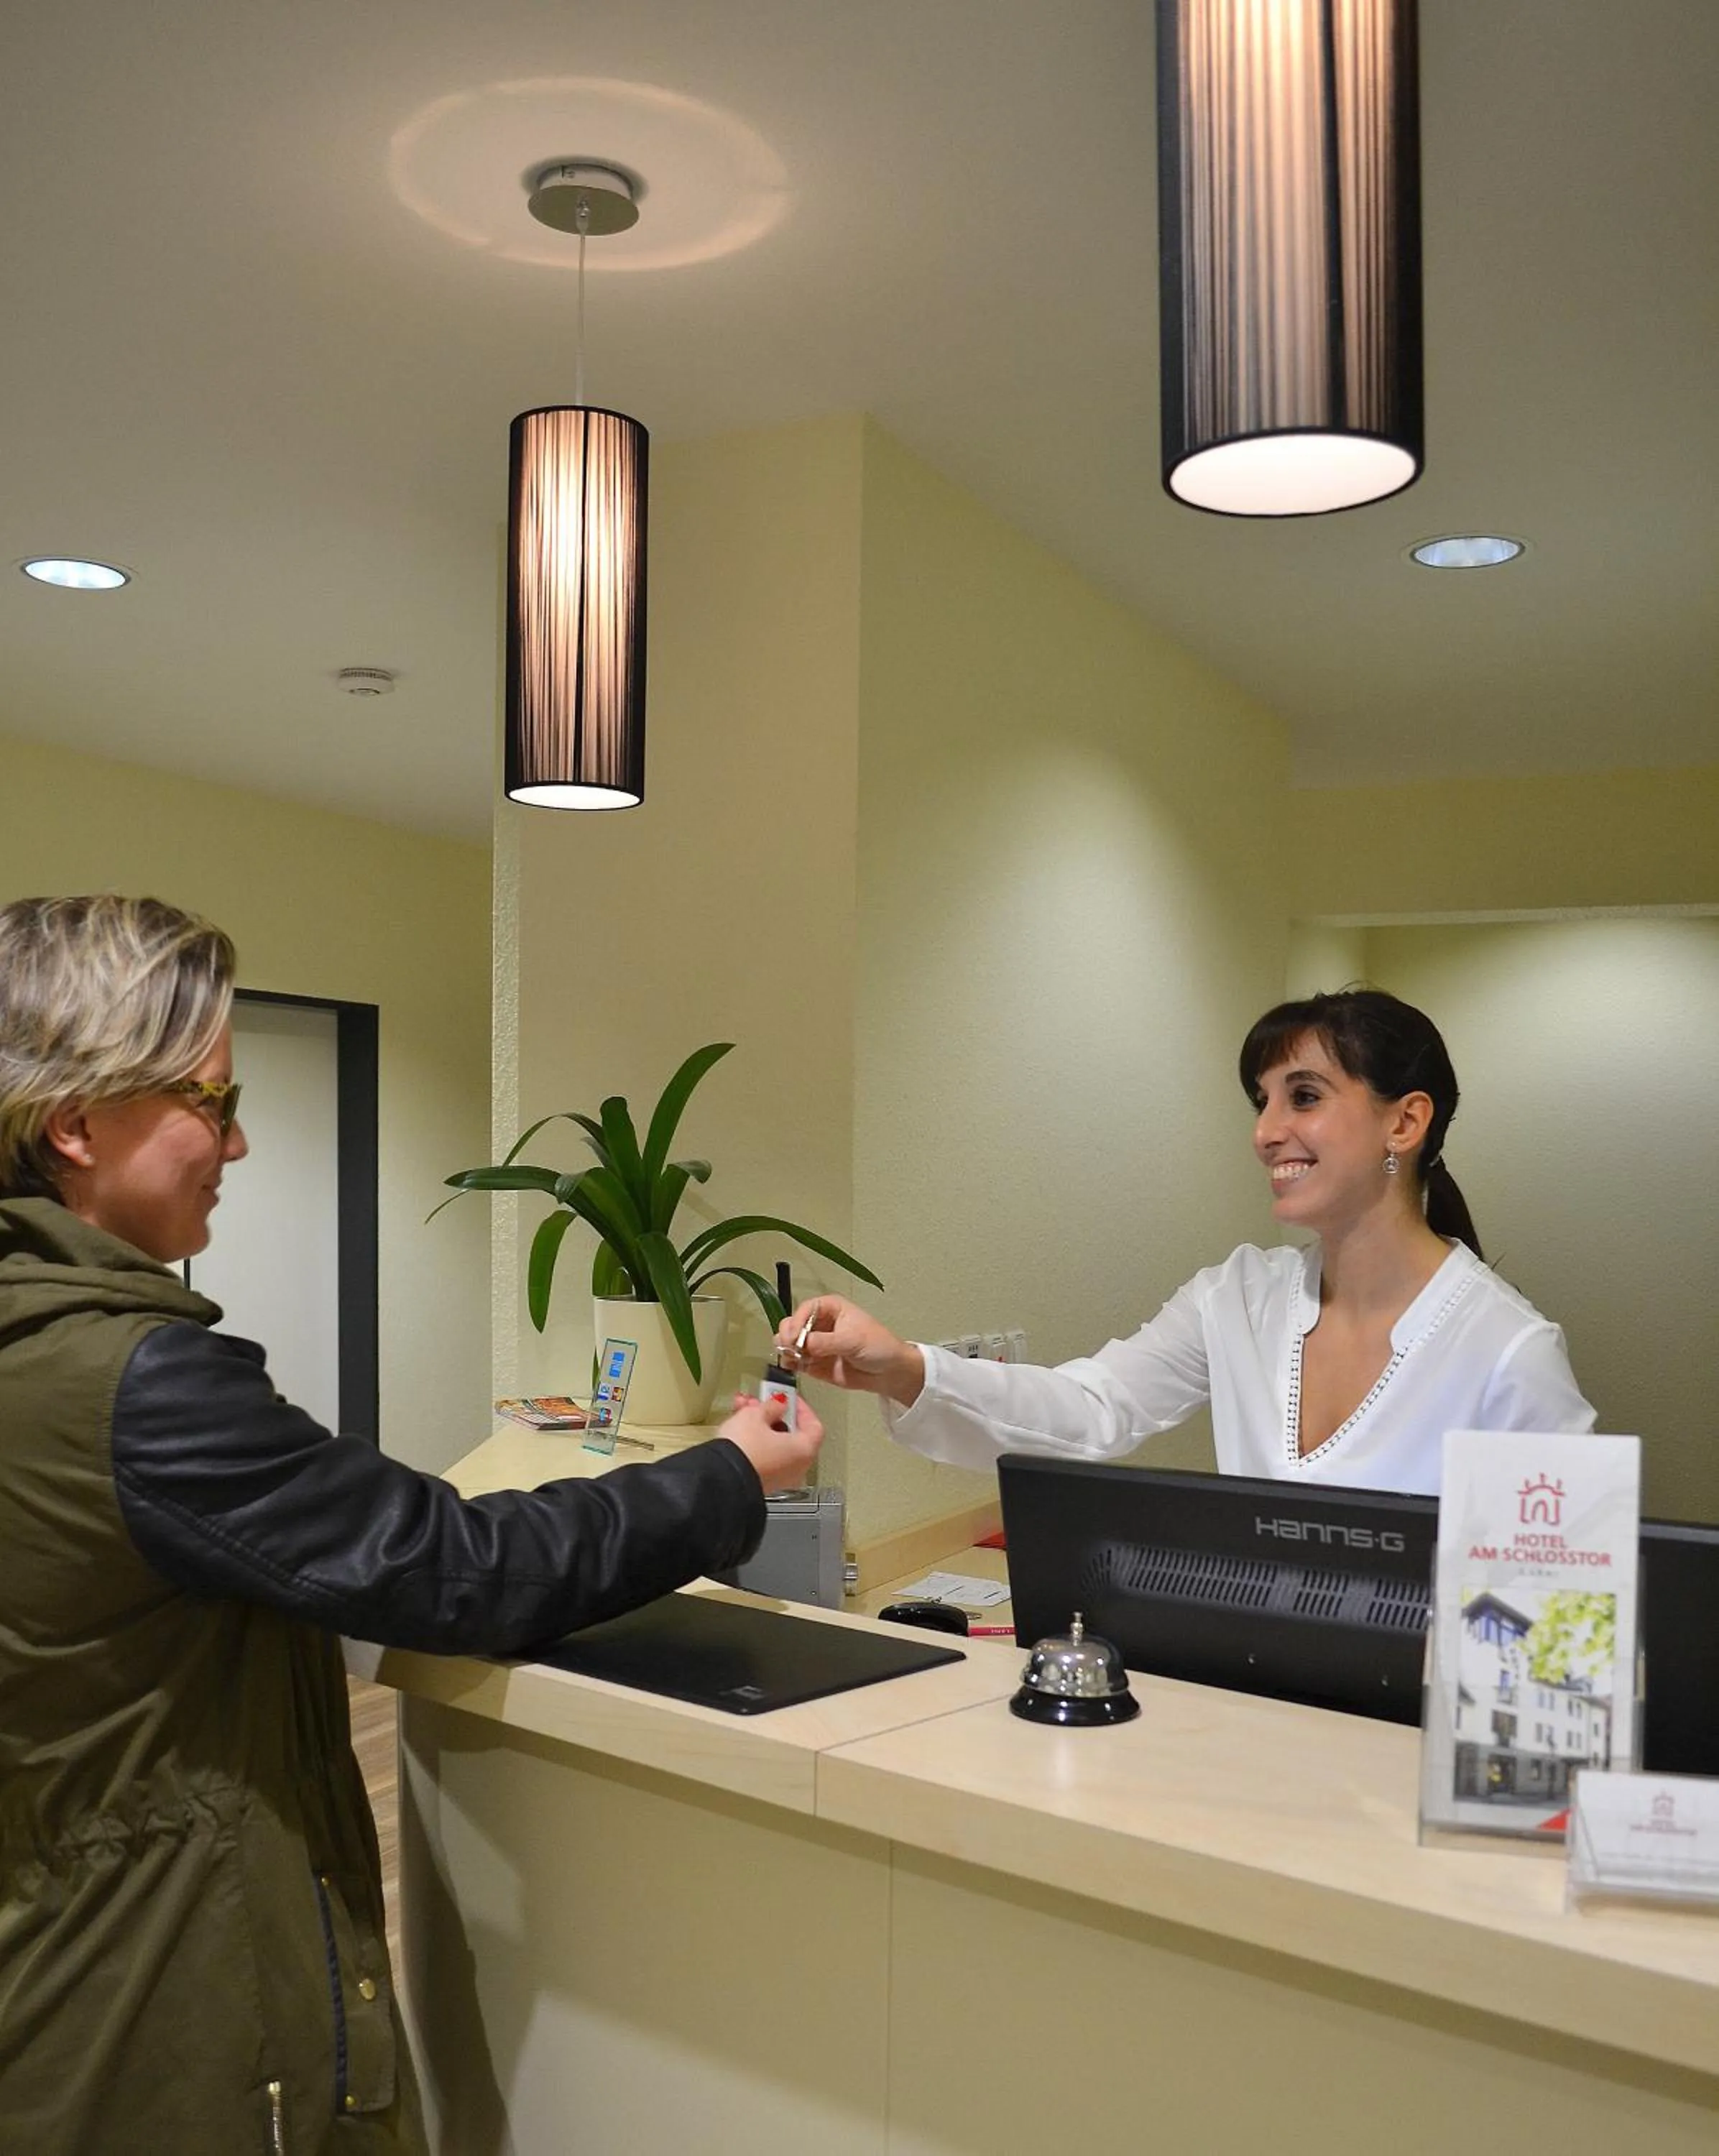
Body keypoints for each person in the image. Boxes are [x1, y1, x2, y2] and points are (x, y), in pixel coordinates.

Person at [0, 893, 823, 2156]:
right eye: (212, 1102)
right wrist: (730, 1476)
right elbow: (454, 1570)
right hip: (168, 2014)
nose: (239, 1143)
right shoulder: (137, 1384)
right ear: (74, 1123)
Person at [777, 987, 1594, 1497]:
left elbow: (1559, 1611)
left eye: (1304, 1097)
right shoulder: (1238, 1298)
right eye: (1261, 1102)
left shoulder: (1507, 1353)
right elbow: (1091, 1409)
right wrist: (904, 1365)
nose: (1266, 1133)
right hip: (1246, 1702)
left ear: (1405, 1122)